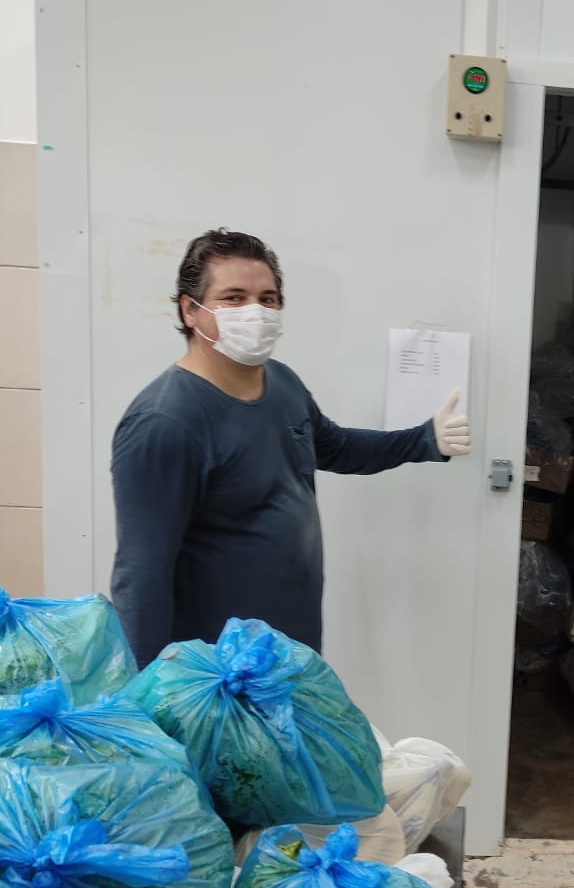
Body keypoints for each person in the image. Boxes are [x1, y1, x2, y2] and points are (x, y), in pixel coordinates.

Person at [111, 228, 470, 669]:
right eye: (234, 298)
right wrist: (148, 693)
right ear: (190, 310)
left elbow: (335, 447)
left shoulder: (281, 382)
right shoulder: (165, 422)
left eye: (267, 299)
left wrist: (423, 439)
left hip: (290, 654)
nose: (255, 312)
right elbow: (142, 575)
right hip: (217, 673)